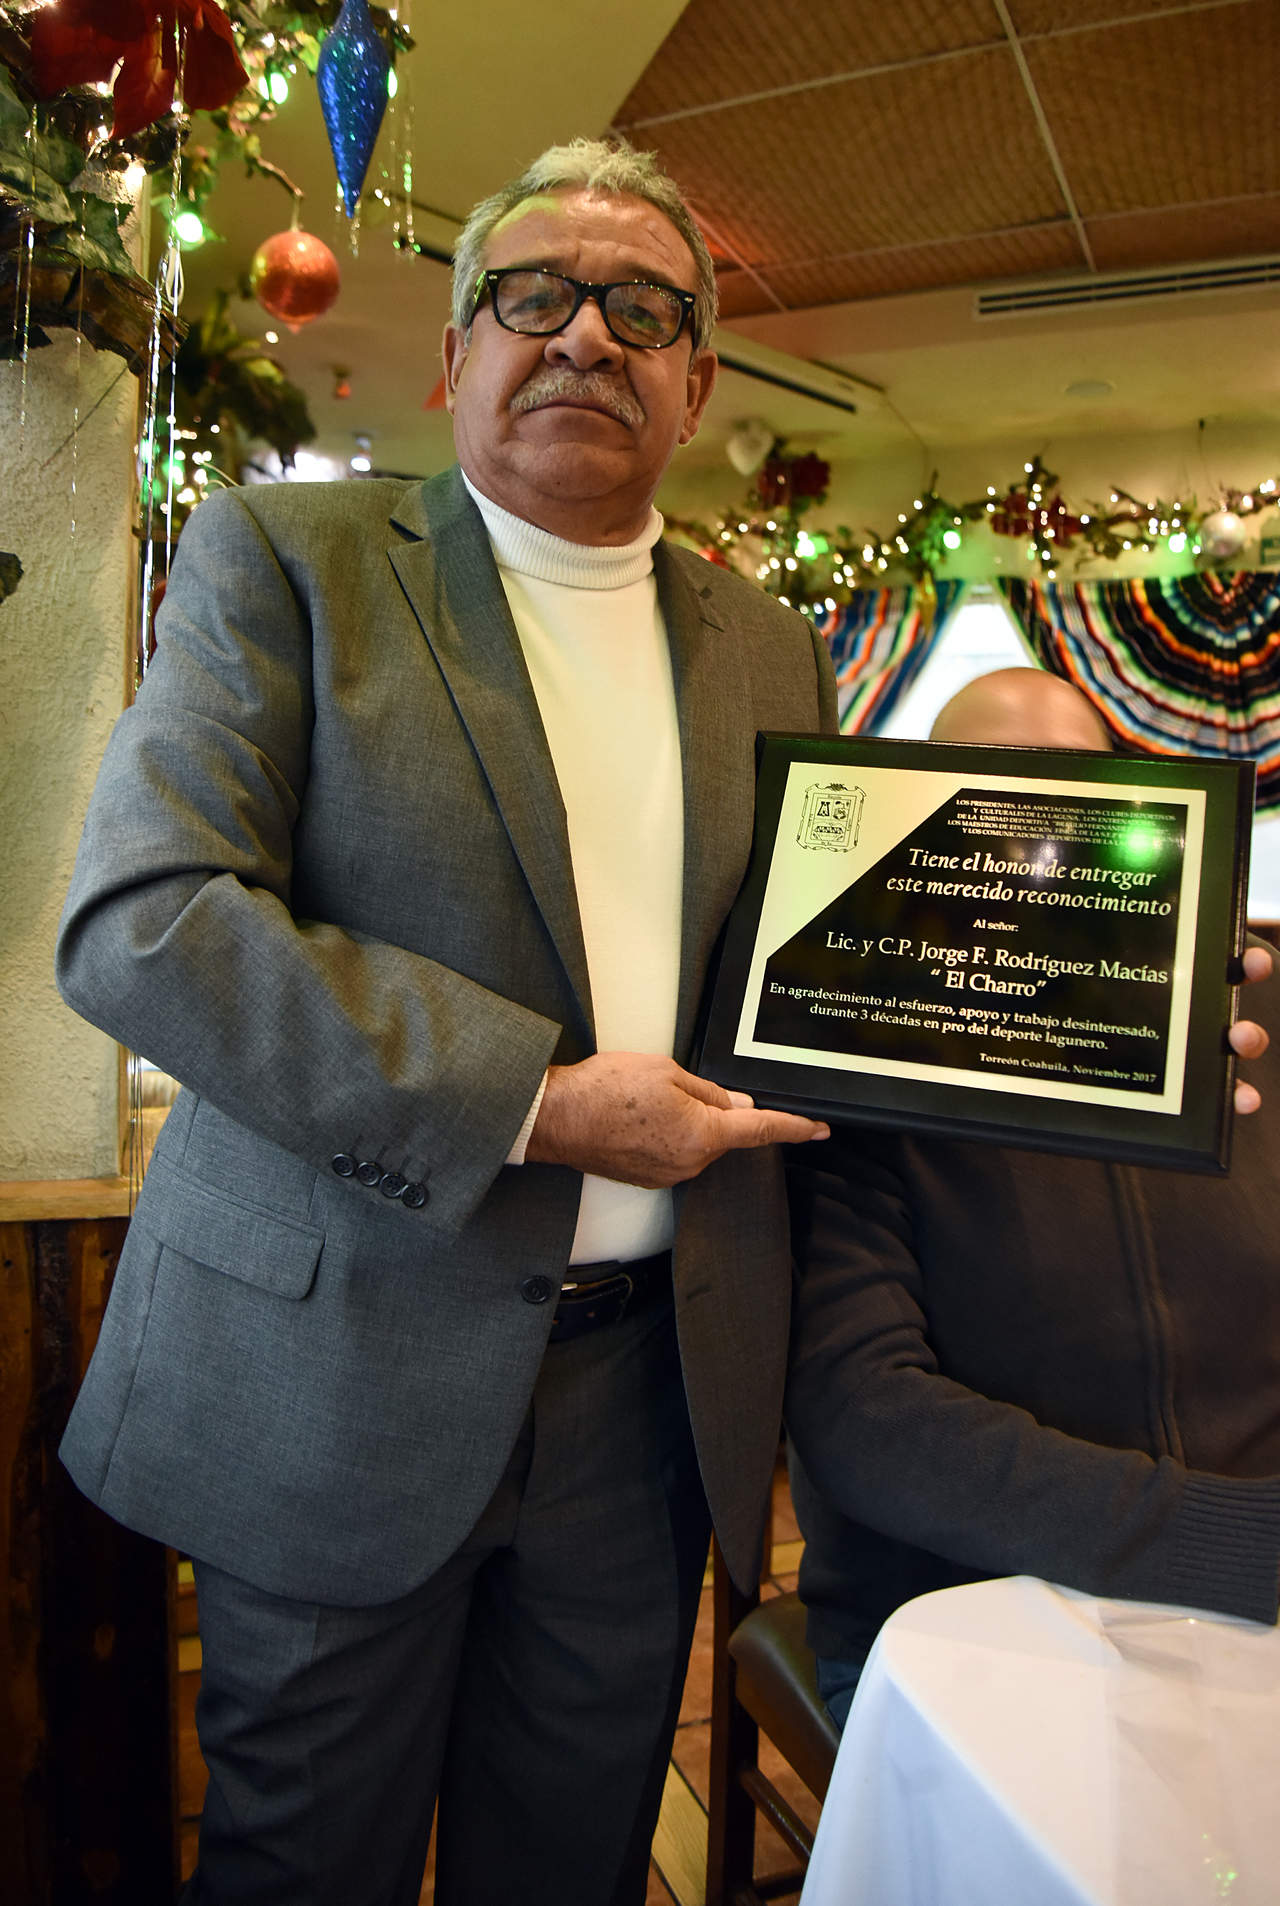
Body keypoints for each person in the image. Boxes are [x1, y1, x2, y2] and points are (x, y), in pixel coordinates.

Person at [53, 137, 835, 1905]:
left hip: (648, 1403)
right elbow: (145, 922)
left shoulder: (773, 646)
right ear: (456, 351)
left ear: (699, 382)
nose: (586, 333)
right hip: (341, 1371)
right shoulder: (290, 556)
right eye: (532, 296)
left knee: (569, 1867)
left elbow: (835, 975)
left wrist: (1154, 1019)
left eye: (643, 309)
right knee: (303, 1866)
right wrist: (537, 1103)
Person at [785, 666, 1280, 1730]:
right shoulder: (851, 1053)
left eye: (1075, 791)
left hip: (1247, 1598)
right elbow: (861, 1415)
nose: (1035, 837)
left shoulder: (1235, 1031)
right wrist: (1219, 1536)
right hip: (969, 1617)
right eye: (988, 795)